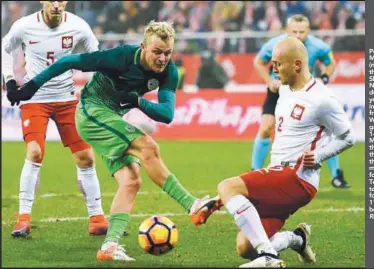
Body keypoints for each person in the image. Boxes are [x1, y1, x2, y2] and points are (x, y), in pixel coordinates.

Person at [7, 20, 222, 261]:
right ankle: (192, 205)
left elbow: (167, 114)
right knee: (148, 148)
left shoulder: (169, 71)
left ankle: (109, 246)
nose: (163, 58)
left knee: (131, 180)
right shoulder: (120, 57)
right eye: (157, 52)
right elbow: (70, 61)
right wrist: (31, 87)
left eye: (167, 53)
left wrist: (137, 101)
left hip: (111, 117)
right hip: (92, 112)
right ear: (143, 47)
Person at [210, 37, 355, 267]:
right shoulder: (284, 90)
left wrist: (318, 156)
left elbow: (348, 136)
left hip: (297, 177)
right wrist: (225, 200)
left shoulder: (321, 99)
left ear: (297, 64)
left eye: (278, 63)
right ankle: (296, 238)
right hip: (279, 174)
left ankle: (268, 254)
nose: (273, 68)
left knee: (227, 185)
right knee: (245, 246)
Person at [1, 1, 109, 238]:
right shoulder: (25, 25)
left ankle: (97, 218)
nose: (56, 5)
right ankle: (23, 219)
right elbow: (4, 47)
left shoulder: (79, 26)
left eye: (60, 0)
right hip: (35, 98)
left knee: (86, 156)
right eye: (51, 0)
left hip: (67, 99)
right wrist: (10, 80)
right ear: (42, 1)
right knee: (35, 152)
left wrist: (93, 84)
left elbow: (97, 56)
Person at [251, 14, 350, 188]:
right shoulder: (275, 44)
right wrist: (269, 81)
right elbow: (259, 62)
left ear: (308, 31)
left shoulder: (318, 46)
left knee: (326, 131)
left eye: (302, 32)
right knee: (266, 127)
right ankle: (254, 172)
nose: (298, 35)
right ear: (287, 31)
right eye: (294, 31)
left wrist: (324, 78)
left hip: (305, 90)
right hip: (279, 89)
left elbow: (330, 62)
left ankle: (336, 175)